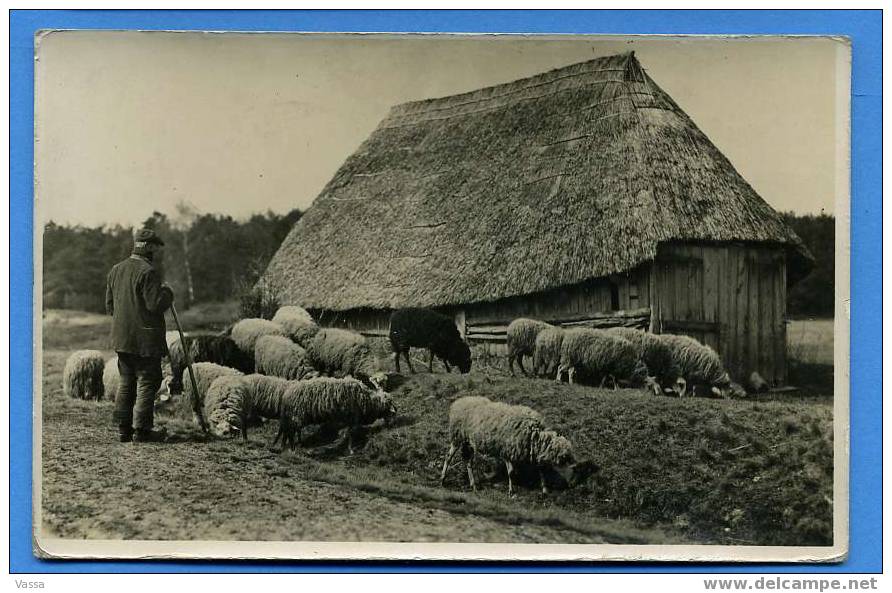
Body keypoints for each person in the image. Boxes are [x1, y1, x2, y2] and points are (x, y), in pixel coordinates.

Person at [105, 228, 174, 443]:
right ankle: (142, 431)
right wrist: (167, 294)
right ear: (150, 247)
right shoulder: (148, 272)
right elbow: (154, 305)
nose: (158, 251)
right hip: (145, 340)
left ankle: (123, 430)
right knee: (147, 381)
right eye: (156, 247)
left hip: (122, 339)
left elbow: (109, 307)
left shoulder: (115, 270)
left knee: (126, 381)